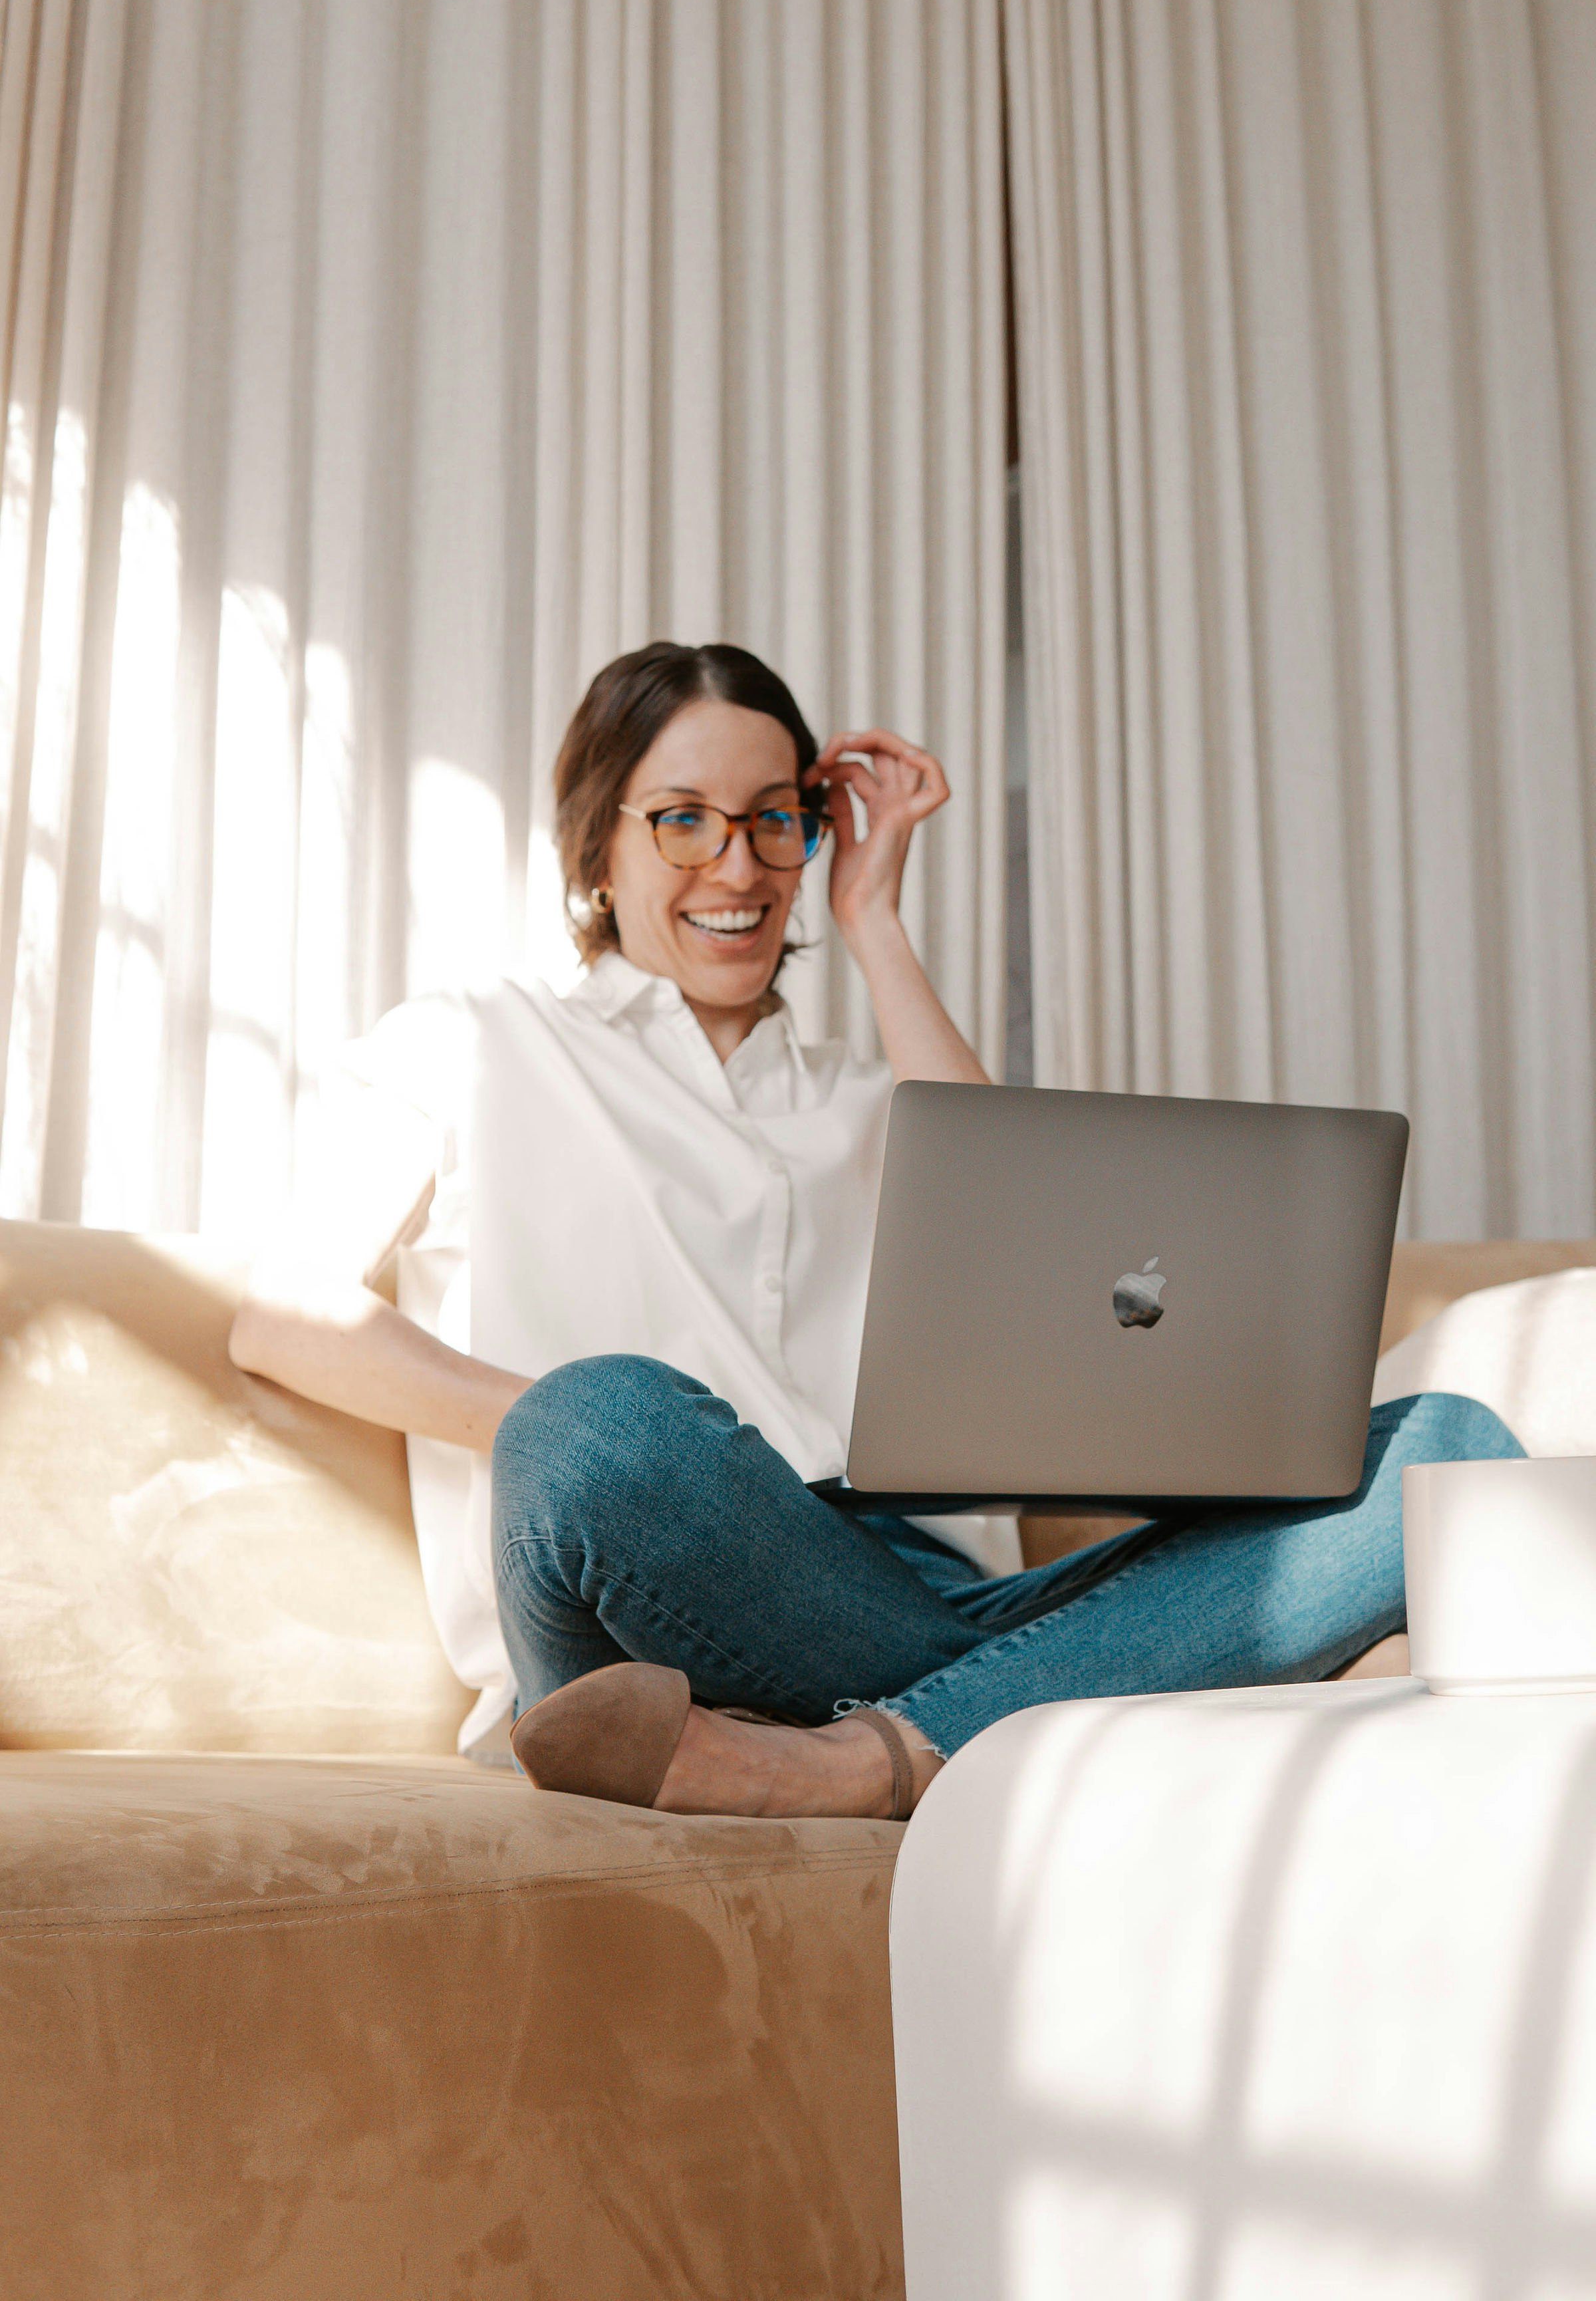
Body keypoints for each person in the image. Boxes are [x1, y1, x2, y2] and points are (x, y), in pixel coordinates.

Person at [230, 640, 1521, 1824]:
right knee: (596, 1420)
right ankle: (1063, 1697)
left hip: (906, 1597)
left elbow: (1036, 1242)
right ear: (595, 846)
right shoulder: (470, 1040)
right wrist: (560, 1429)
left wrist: (875, 921)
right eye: (684, 821)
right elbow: (282, 1313)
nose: (737, 868)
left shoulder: (869, 1099)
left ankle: (857, 1758)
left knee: (1450, 1451)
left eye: (774, 821)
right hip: (642, 1585)